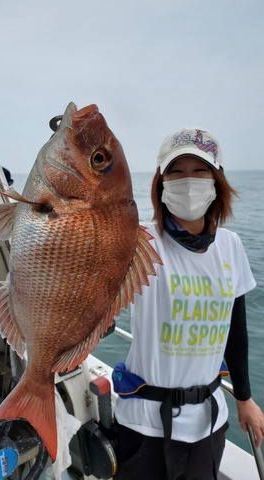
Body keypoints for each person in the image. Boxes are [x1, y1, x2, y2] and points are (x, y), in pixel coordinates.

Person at [113, 128, 264, 480]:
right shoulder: (137, 240)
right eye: (176, 172)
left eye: (200, 171)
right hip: (143, 424)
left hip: (208, 424)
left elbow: (235, 330)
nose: (189, 181)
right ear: (161, 182)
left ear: (217, 181)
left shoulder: (231, 246)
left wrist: (244, 398)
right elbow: (100, 297)